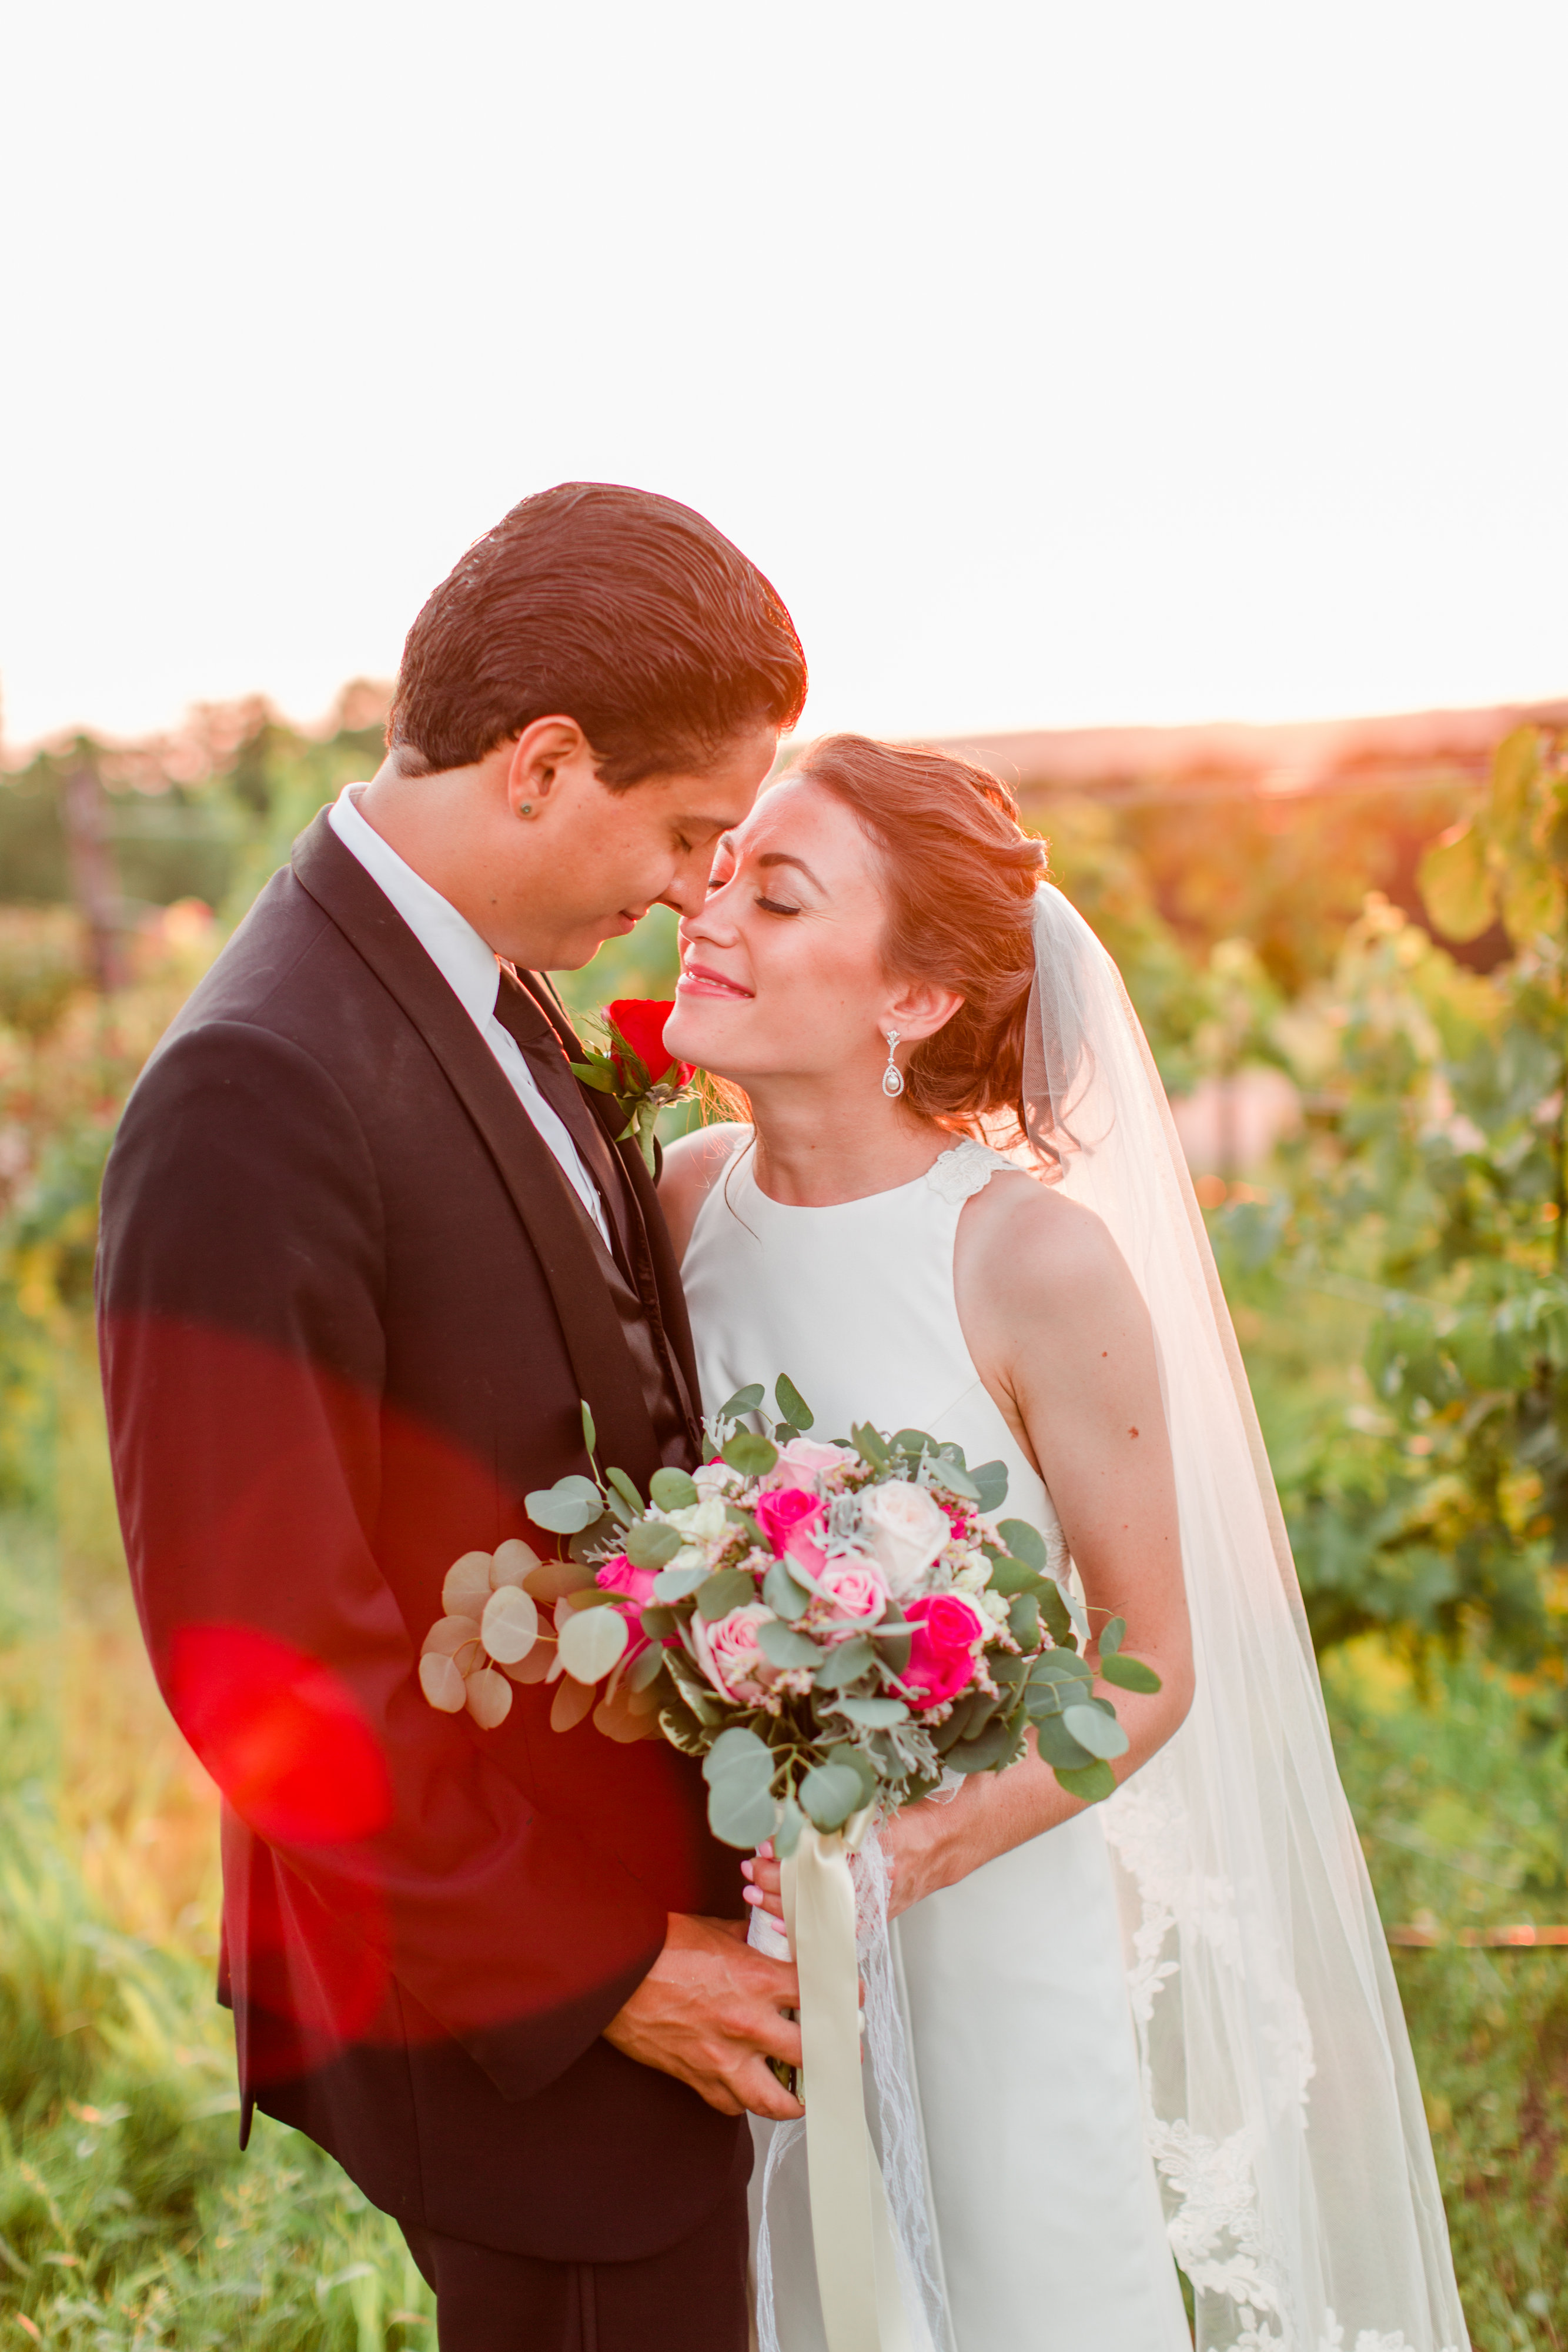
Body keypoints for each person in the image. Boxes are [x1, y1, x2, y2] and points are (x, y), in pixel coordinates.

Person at [96, 482, 811, 2352]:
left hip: (629, 1922)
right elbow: (261, 1658)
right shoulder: (258, 1083)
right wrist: (611, 1972)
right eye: (682, 833)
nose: (686, 891)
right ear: (544, 761)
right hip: (518, 2011)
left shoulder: (471, 982)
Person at [658, 736, 1470, 2352]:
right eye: (722, 865)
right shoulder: (673, 1204)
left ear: (913, 999)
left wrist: (909, 1857)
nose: (708, 909)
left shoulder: (1028, 1257)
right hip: (740, 1923)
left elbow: (1146, 1661)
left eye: (779, 891)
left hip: (989, 1918)